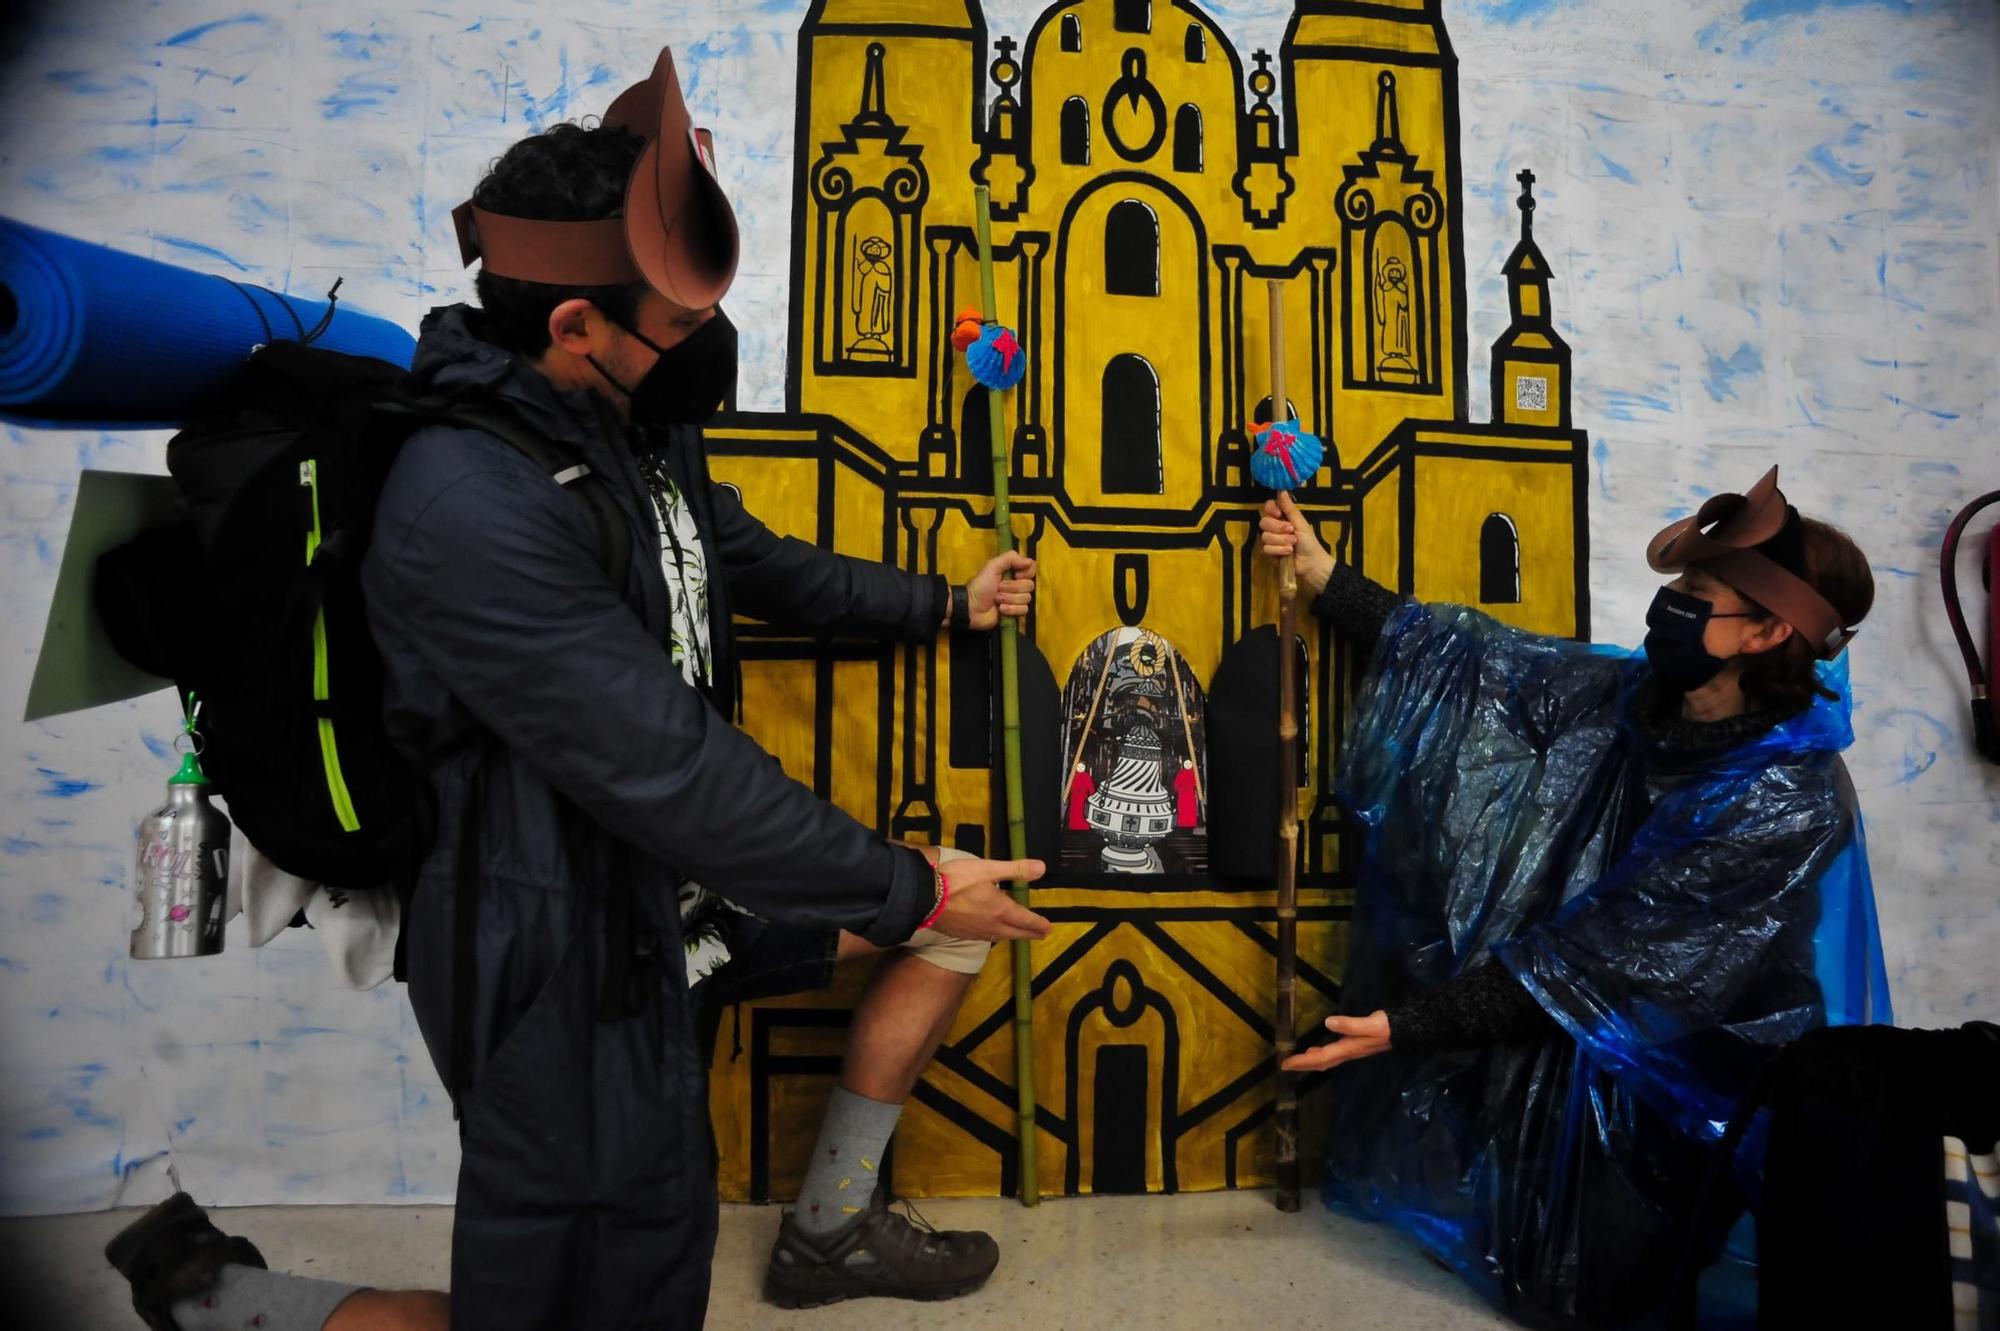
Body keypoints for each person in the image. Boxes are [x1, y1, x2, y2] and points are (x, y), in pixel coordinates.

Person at [105, 48, 1051, 1331]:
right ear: (572, 324)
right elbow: (662, 759)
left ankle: (829, 1224)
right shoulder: (467, 502)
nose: (704, 343)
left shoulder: (625, 422)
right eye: (680, 324)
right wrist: (910, 880)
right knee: (570, 1302)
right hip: (550, 951)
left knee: (641, 1261)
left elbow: (737, 550)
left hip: (668, 903)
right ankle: (219, 1296)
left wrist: (940, 603)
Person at [1259, 468, 1890, 1328]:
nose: (1669, 607)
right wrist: (1326, 578)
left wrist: (1405, 1026)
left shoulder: (1784, 797)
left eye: (1697, 594)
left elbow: (1595, 968)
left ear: (1767, 631)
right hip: (1574, 1024)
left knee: (1607, 1292)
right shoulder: (1638, 698)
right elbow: (1479, 663)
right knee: (1540, 1262)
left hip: (1689, 1082)